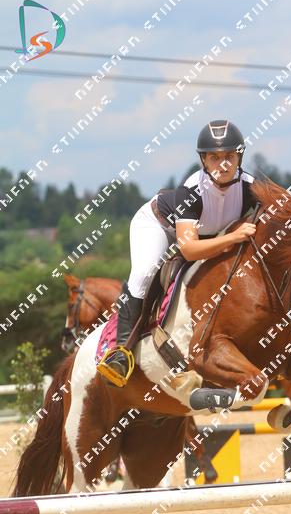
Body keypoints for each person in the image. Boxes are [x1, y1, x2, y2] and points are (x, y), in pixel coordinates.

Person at [97, 119, 258, 410]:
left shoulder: (251, 188)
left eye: (229, 156)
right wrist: (234, 237)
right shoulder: (191, 190)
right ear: (203, 160)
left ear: (240, 157)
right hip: (159, 225)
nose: (222, 164)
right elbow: (189, 248)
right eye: (214, 157)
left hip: (208, 236)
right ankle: (120, 352)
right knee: (145, 273)